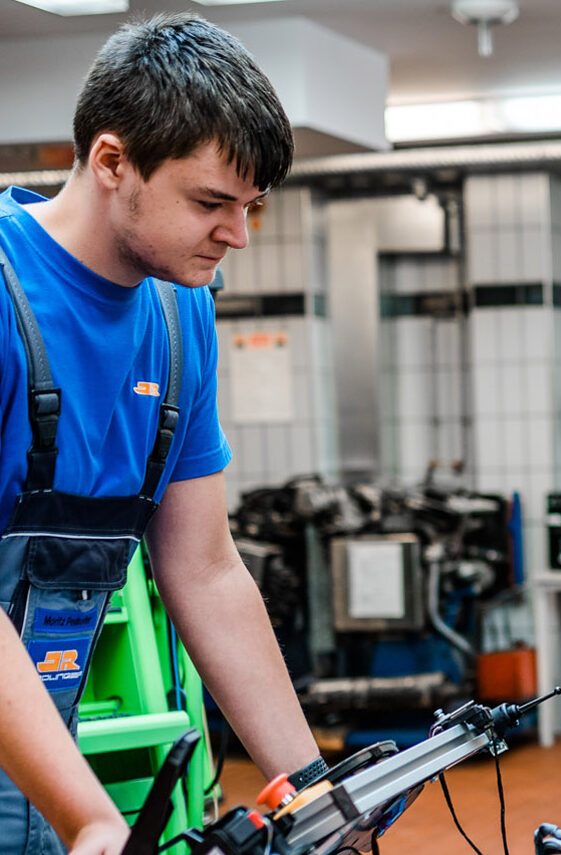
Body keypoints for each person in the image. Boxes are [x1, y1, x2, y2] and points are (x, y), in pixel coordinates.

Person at [0, 14, 326, 855]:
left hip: (37, 761)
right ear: (112, 162)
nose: (239, 235)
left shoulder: (182, 318)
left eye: (251, 206)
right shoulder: (5, 295)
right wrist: (92, 816)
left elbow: (206, 570)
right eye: (212, 203)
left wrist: (324, 799)